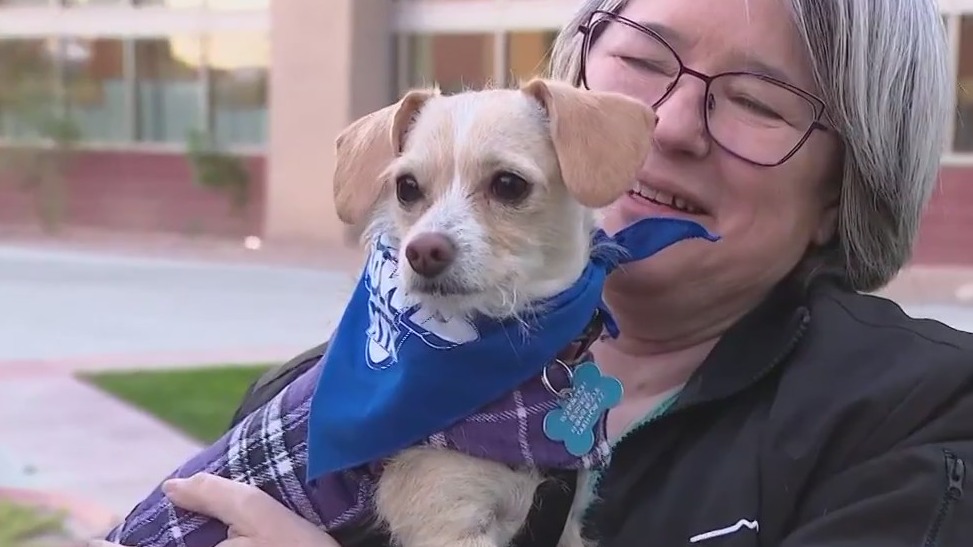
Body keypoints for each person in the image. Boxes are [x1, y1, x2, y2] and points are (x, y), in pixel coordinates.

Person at [95, 0, 973, 545]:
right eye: (639, 56)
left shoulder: (917, 421)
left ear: (847, 186)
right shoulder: (340, 387)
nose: (663, 124)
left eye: (754, 101)